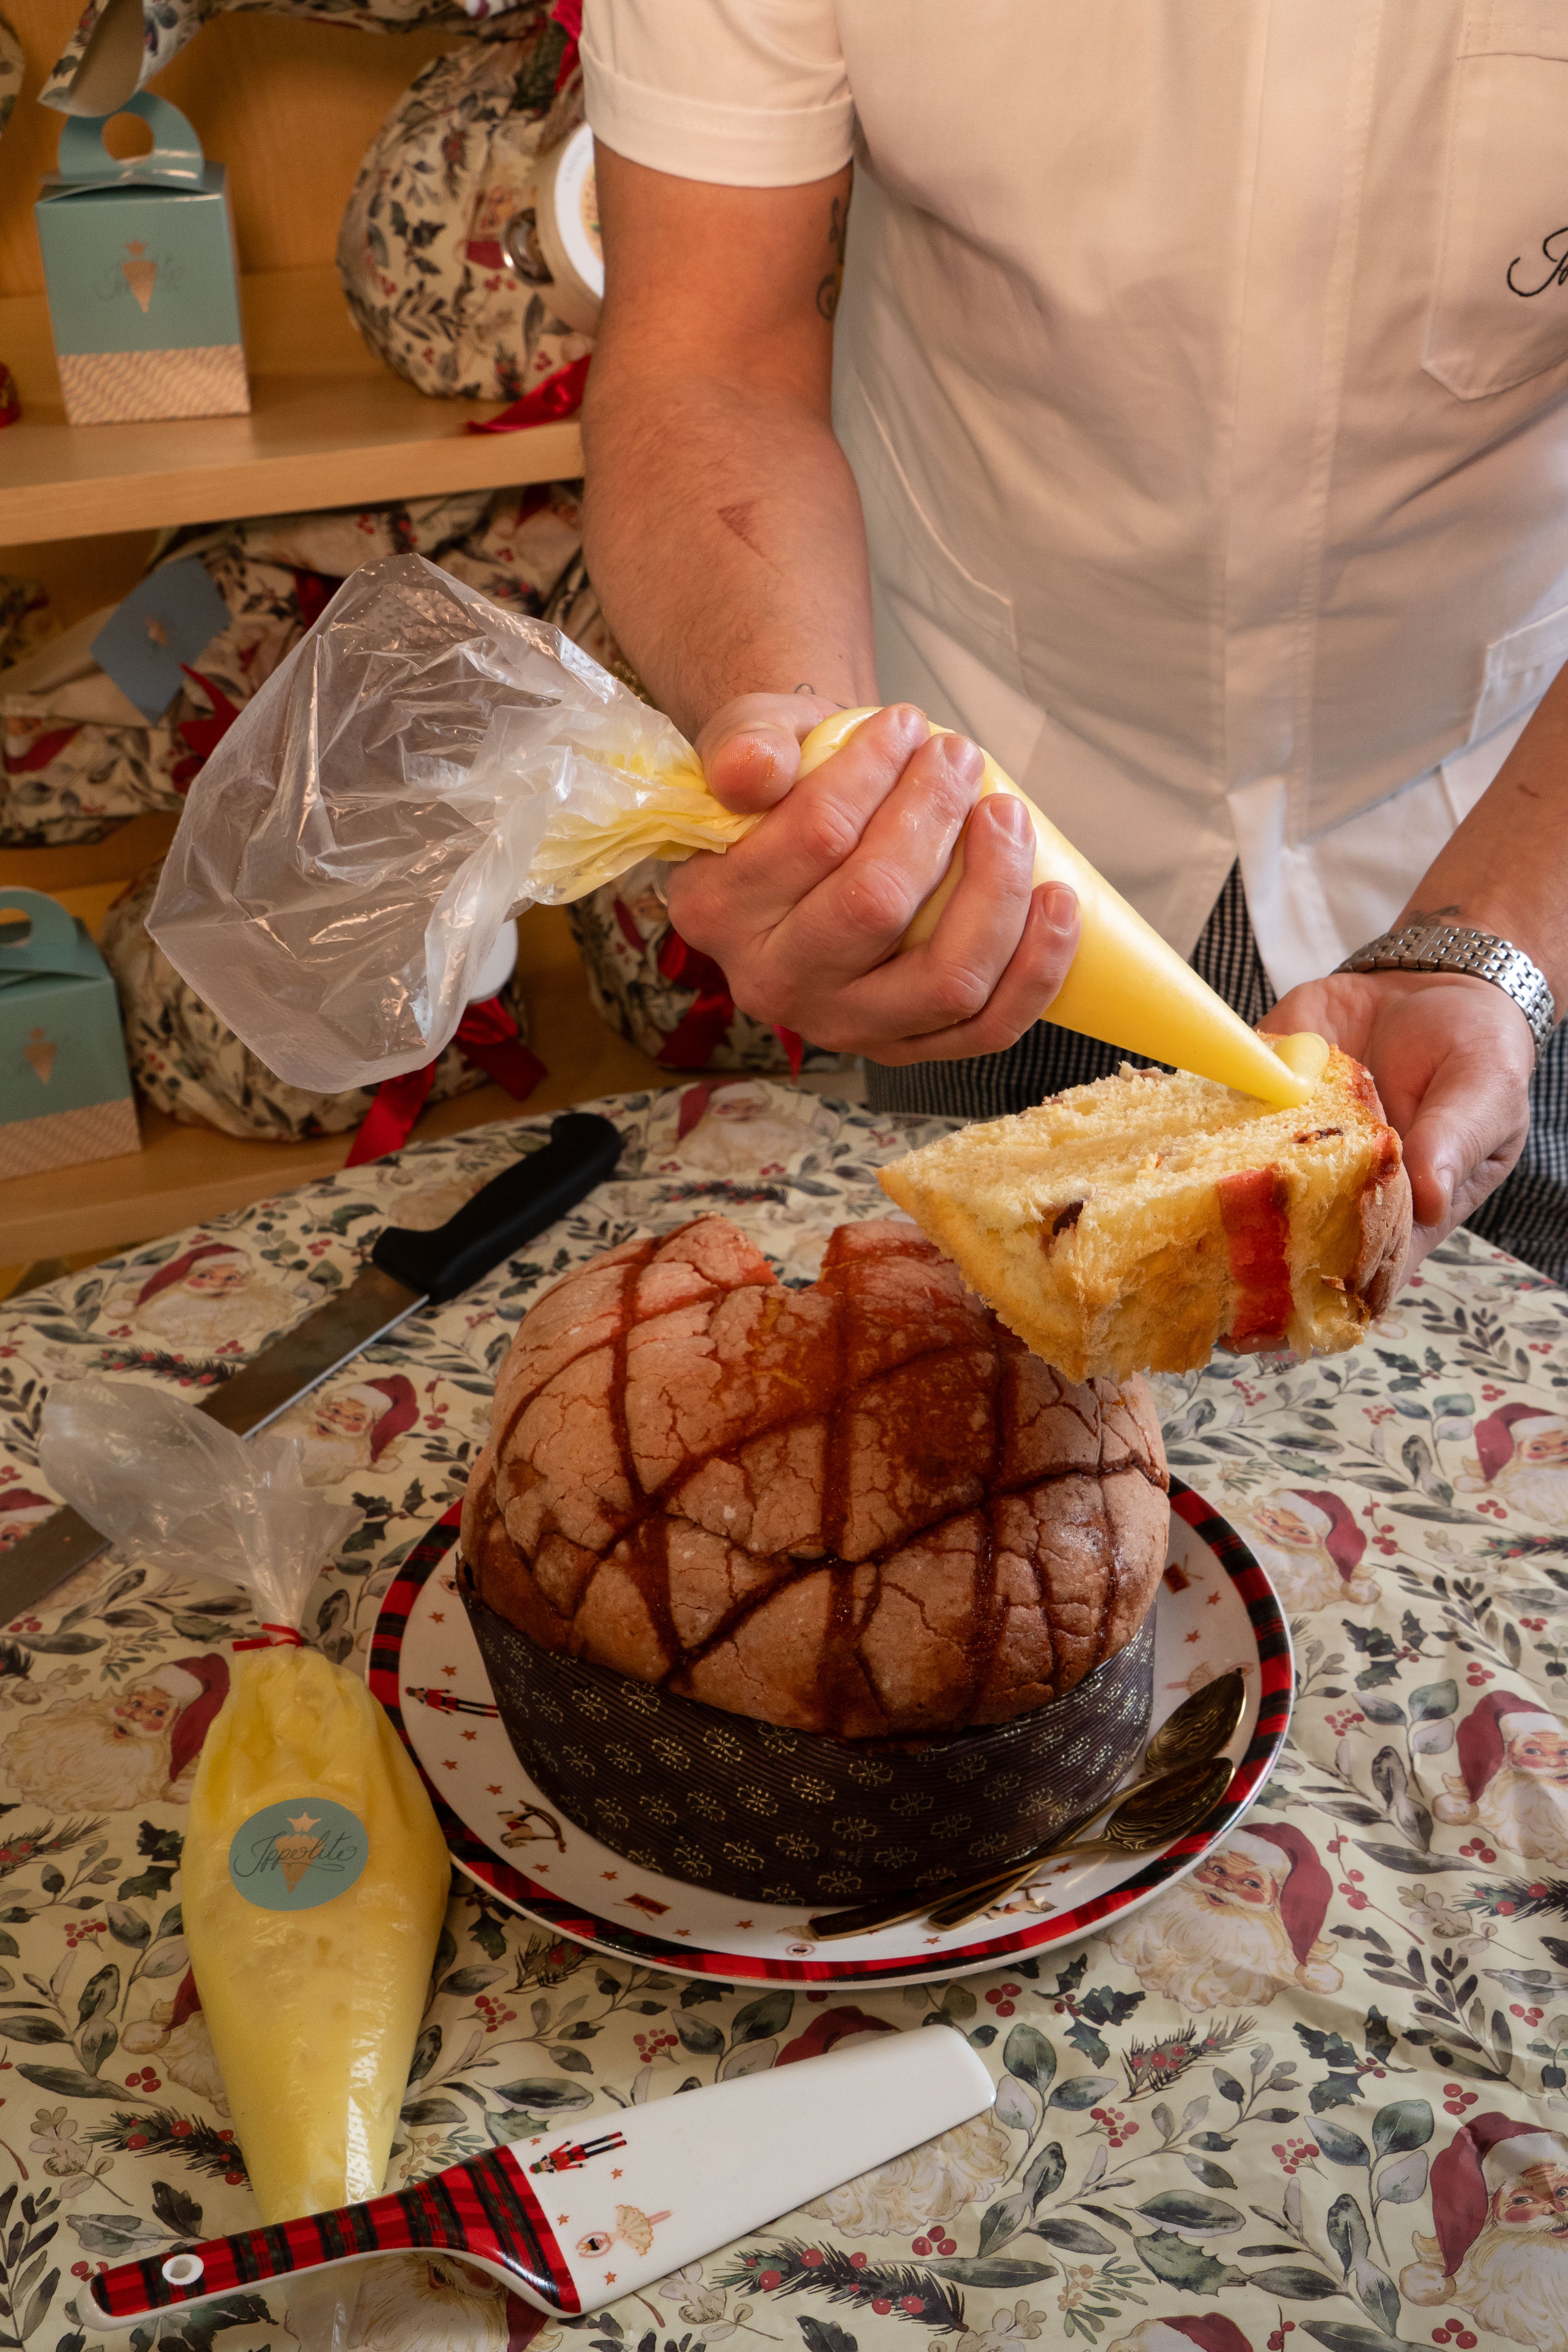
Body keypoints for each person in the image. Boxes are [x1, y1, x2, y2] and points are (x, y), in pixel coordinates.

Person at [578, 5, 1568, 1283]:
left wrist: (1497, 940)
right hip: (988, 838)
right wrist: (825, 773)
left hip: (1515, 812)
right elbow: (712, 348)